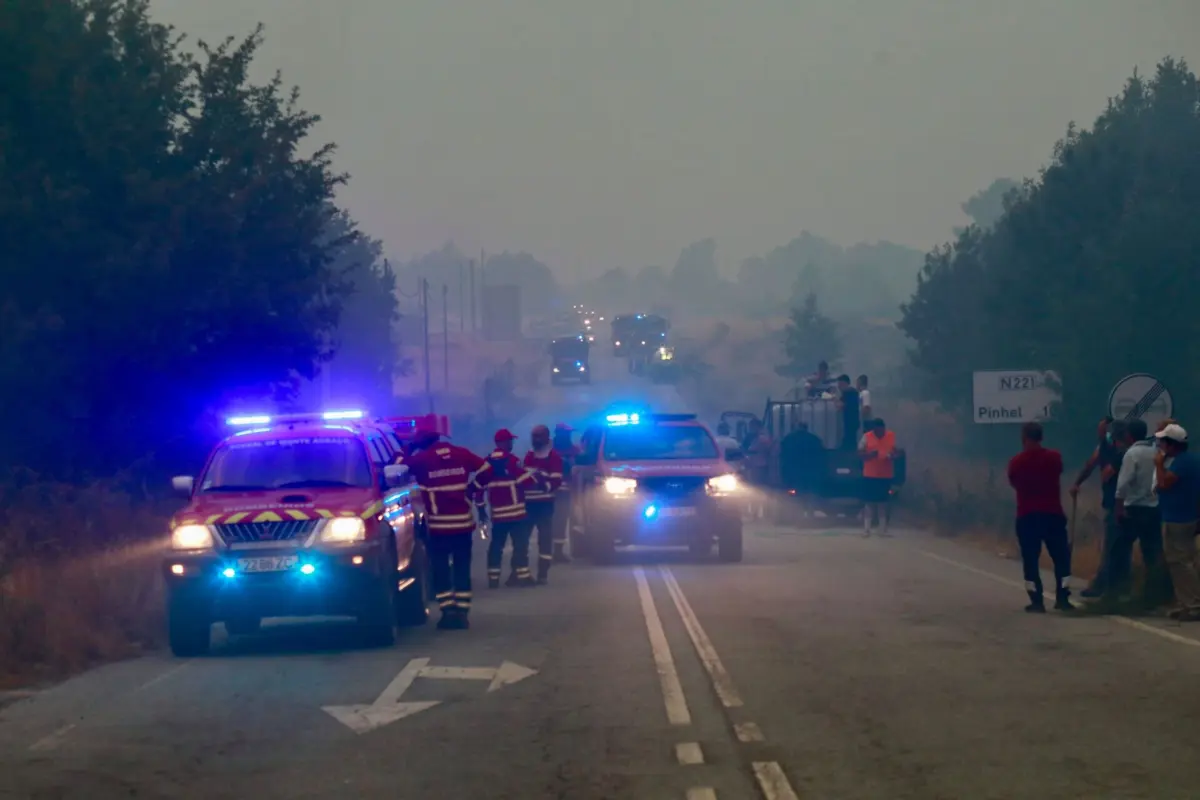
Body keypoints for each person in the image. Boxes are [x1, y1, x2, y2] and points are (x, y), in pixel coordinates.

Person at [402, 426, 487, 629]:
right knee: (462, 567)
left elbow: (398, 466)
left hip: (438, 526)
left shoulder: (421, 459)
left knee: (440, 568)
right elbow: (487, 469)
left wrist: (409, 447)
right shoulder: (462, 453)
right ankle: (463, 614)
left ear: (421, 441)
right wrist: (472, 489)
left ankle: (448, 612)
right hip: (463, 524)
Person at [1007, 422, 1074, 613]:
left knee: (1030, 560)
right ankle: (1063, 597)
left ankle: (1037, 601)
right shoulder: (1054, 458)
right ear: (1041, 437)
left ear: (1023, 438)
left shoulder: (1016, 462)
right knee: (1061, 558)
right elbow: (1059, 471)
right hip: (1052, 514)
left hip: (1027, 515)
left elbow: (1014, 482)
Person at [473, 428, 541, 590]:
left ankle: (493, 579)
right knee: (521, 545)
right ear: (502, 443)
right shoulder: (512, 461)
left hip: (498, 515)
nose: (511, 444)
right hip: (516, 513)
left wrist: (481, 510)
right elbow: (529, 482)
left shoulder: (486, 463)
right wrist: (534, 475)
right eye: (510, 441)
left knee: (496, 546)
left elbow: (477, 489)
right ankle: (522, 576)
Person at [1109, 418, 1164, 607]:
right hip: (1153, 508)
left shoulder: (1132, 453)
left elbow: (1123, 484)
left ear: (1129, 435)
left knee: (1119, 550)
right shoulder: (1156, 452)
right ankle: (1153, 595)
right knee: (1152, 553)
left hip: (1133, 509)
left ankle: (1115, 592)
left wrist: (1119, 508)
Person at [1070, 417, 1124, 598]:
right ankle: (1108, 584)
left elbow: (1105, 474)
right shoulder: (1105, 448)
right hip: (1113, 502)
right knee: (1113, 545)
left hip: (1119, 503)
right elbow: (1090, 465)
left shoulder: (1118, 451)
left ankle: (1106, 587)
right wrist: (1077, 483)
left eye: (1102, 430)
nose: (1100, 433)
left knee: (1112, 546)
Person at [1153, 423, 1200, 621]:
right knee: (1186, 560)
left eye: (1163, 442)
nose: (1161, 446)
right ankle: (1186, 603)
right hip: (1188, 515)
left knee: (1180, 563)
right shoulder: (1192, 460)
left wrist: (1158, 464)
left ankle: (1193, 605)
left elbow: (1164, 483)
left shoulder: (1181, 463)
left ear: (1172, 444)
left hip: (1178, 518)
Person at [523, 424, 564, 583]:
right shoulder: (529, 456)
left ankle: (543, 573)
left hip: (545, 504)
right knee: (523, 538)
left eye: (539, 436)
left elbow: (556, 481)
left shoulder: (554, 457)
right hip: (528, 504)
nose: (536, 439)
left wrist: (542, 483)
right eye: (534, 436)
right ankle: (522, 572)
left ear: (547, 437)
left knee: (545, 539)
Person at [858, 418, 899, 537]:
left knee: (883, 503)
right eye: (876, 430)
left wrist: (893, 456)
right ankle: (867, 530)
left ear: (883, 428)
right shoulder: (866, 437)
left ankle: (882, 530)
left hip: (885, 475)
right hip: (870, 475)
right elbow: (860, 454)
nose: (879, 432)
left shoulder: (891, 436)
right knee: (869, 503)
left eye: (881, 430)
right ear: (873, 429)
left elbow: (897, 452)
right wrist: (870, 455)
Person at [779, 421, 825, 517]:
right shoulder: (814, 439)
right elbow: (821, 454)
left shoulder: (789, 438)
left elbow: (782, 454)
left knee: (795, 492)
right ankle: (810, 512)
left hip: (793, 470)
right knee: (810, 491)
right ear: (806, 428)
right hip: (810, 470)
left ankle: (797, 512)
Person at [551, 423, 579, 563]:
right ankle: (551, 552)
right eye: (566, 433)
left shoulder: (574, 450)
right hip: (551, 493)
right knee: (552, 522)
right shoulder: (549, 450)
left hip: (567, 492)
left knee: (562, 522)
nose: (568, 436)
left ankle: (558, 552)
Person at [742, 418, 773, 519]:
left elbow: (748, 450)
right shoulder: (765, 438)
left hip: (756, 467)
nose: (751, 428)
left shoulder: (759, 439)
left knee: (755, 490)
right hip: (763, 466)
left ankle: (756, 513)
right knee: (761, 490)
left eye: (752, 426)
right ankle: (762, 513)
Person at [835, 374, 860, 451]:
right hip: (854, 419)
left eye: (840, 384)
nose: (838, 387)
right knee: (852, 440)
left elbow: (840, 406)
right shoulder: (853, 391)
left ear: (844, 383)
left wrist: (834, 399)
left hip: (850, 420)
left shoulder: (847, 392)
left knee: (849, 441)